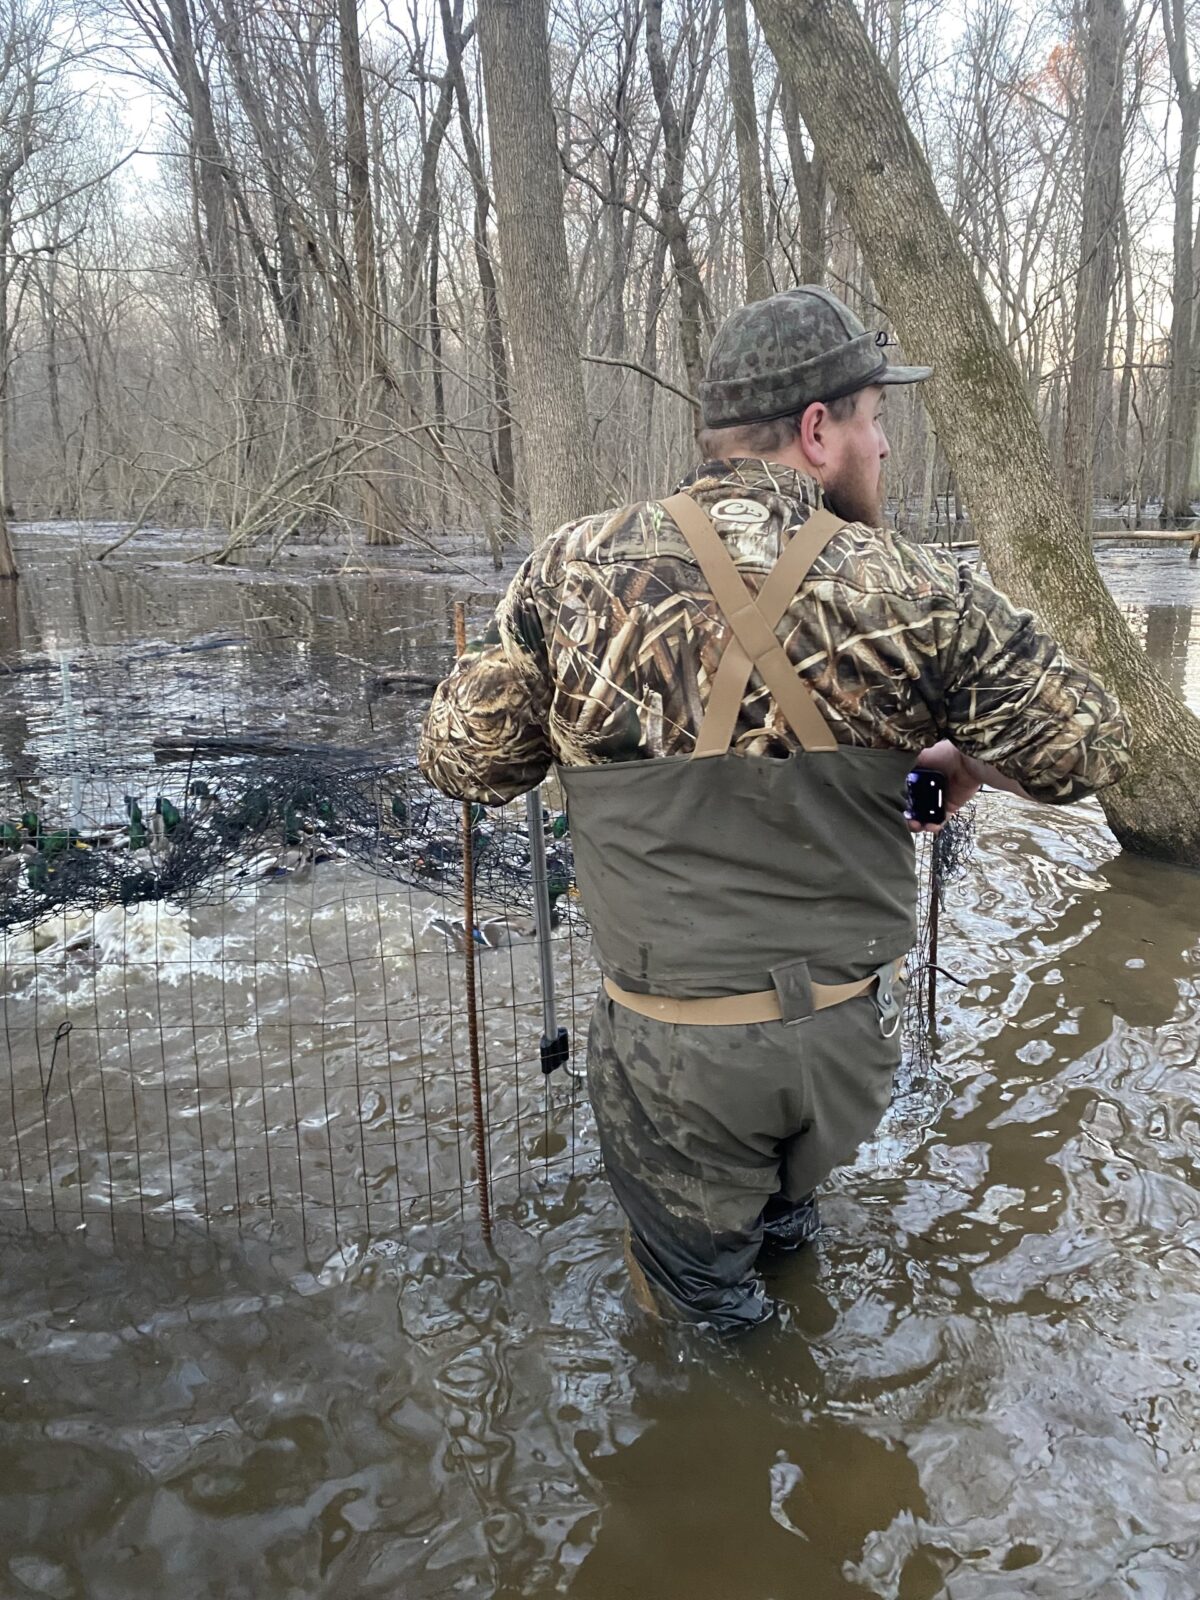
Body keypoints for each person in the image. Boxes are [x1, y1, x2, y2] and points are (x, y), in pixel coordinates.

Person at [418, 285, 1131, 1335]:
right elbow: (1089, 746)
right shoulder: (916, 588)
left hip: (676, 1065)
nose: (884, 445)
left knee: (703, 1330)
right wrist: (953, 765)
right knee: (792, 1236)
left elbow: (462, 761)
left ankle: (734, 1438)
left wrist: (583, 729)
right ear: (816, 431)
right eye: (875, 419)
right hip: (843, 1053)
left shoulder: (574, 570)